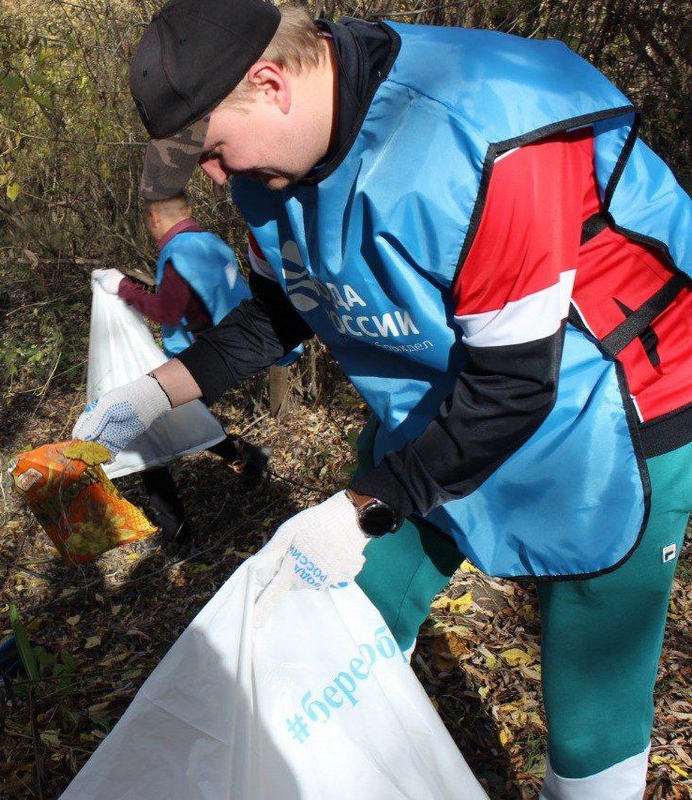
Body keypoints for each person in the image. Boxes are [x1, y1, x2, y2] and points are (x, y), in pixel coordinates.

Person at [72, 1, 692, 797]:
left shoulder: (484, 133)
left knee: (589, 705)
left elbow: (511, 390)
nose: (217, 177)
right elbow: (281, 309)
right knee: (342, 614)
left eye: (216, 152)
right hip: (437, 398)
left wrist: (365, 505)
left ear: (269, 83)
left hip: (610, 410)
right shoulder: (275, 166)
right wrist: (155, 393)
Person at [89, 193, 269, 541]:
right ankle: (249, 458)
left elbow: (167, 312)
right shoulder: (209, 243)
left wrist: (122, 287)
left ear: (155, 216)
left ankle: (178, 531)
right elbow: (194, 297)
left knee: (144, 436)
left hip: (198, 359)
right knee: (180, 420)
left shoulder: (178, 254)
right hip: (231, 349)